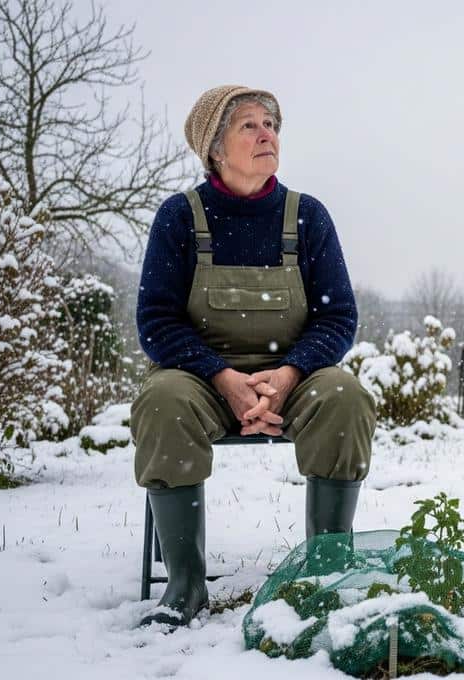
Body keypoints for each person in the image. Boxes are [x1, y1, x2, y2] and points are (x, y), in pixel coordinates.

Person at [130, 85, 376, 628]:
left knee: (346, 396)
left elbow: (338, 317)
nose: (268, 133)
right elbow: (156, 322)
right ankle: (186, 586)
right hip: (201, 383)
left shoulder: (307, 217)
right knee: (163, 401)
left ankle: (324, 577)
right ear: (215, 147)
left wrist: (286, 376)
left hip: (292, 381)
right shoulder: (179, 218)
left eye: (272, 124)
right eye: (249, 125)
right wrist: (222, 378)